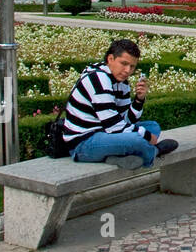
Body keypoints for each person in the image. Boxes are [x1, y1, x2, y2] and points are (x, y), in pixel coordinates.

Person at [61, 38, 179, 169]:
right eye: (124, 63)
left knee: (153, 126)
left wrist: (139, 99)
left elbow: (127, 120)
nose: (128, 70)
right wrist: (147, 137)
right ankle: (155, 152)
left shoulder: (121, 82)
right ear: (110, 59)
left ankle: (114, 156)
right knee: (136, 139)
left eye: (132, 66)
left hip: (105, 134)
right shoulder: (98, 79)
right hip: (83, 143)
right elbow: (113, 126)